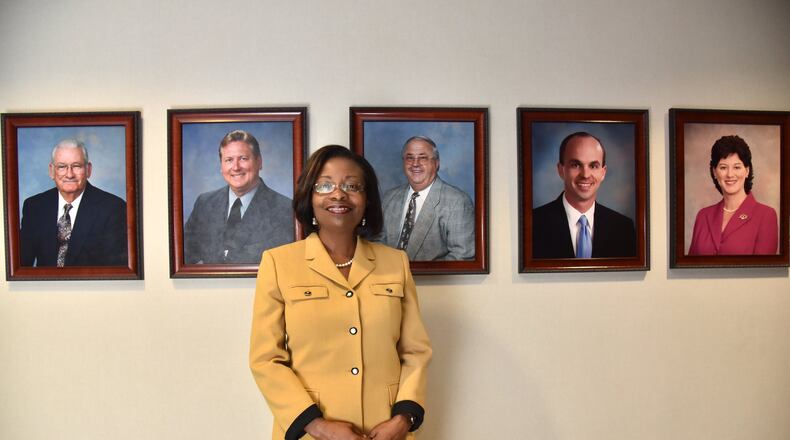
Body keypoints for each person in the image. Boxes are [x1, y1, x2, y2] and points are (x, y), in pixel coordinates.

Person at [250, 145, 431, 440]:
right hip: (311, 432)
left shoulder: (395, 263)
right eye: (325, 185)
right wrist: (317, 425)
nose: (338, 194)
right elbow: (265, 359)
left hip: (387, 431)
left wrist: (404, 417)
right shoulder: (278, 263)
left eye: (352, 186)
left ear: (367, 199)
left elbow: (416, 352)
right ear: (310, 196)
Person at [184, 130, 293, 264]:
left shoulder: (285, 210)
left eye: (243, 158)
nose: (235, 167)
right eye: (229, 160)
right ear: (221, 166)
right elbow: (185, 258)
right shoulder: (204, 204)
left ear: (259, 162)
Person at [19, 139, 127, 267]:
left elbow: (115, 270)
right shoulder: (34, 207)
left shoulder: (113, 208)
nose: (69, 174)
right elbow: (22, 265)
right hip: (45, 286)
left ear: (88, 170)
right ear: (52, 171)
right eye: (62, 167)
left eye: (76, 166)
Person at [532, 131, 636, 259]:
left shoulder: (623, 228)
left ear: (603, 173)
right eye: (576, 165)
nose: (585, 175)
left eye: (593, 166)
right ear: (561, 170)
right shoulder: (533, 224)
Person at [380, 136, 475, 261]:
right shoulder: (389, 197)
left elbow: (462, 256)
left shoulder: (458, 201)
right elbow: (377, 242)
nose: (415, 164)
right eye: (410, 158)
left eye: (423, 158)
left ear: (436, 163)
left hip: (431, 279)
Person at [688, 135, 778, 255]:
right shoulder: (703, 216)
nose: (730, 174)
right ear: (714, 172)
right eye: (723, 167)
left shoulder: (766, 216)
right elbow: (688, 268)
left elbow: (762, 271)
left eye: (737, 167)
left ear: (747, 171)